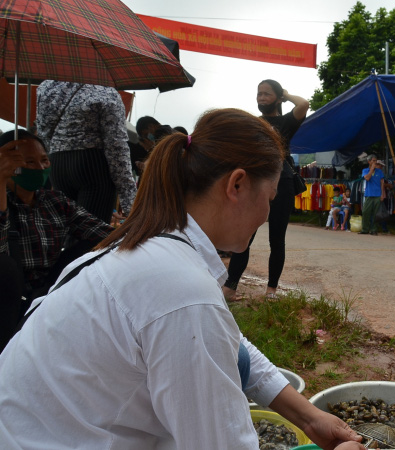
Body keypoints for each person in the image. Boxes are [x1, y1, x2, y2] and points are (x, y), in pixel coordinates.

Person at [0, 109, 365, 450]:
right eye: (270, 197)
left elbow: (230, 343)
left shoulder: (151, 248)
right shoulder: (179, 289)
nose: (267, 214)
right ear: (237, 185)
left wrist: (310, 417)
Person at [0, 130, 114, 352]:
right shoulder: (5, 201)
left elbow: (103, 232)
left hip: (48, 288)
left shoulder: (55, 201)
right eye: (30, 162)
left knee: (93, 249)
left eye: (44, 160)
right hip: (8, 293)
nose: (41, 168)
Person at [224, 80, 309, 300]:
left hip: (283, 183)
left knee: (277, 238)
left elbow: (303, 104)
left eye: (267, 94)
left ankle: (271, 290)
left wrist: (286, 95)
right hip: (257, 184)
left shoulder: (286, 122)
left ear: (277, 98)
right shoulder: (254, 124)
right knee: (246, 235)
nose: (261, 98)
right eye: (259, 94)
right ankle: (230, 288)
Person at [36, 81, 137, 223]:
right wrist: (130, 202)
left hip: (57, 164)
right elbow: (116, 145)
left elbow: (43, 131)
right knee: (92, 235)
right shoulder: (106, 92)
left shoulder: (46, 87)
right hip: (92, 165)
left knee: (67, 230)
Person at [359, 155, 385, 235]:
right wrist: (372, 170)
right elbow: (367, 178)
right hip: (368, 194)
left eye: (375, 161)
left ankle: (373, 229)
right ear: (369, 162)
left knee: (375, 213)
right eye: (373, 161)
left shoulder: (379, 171)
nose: (375, 162)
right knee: (366, 211)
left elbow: (382, 183)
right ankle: (365, 229)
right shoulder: (365, 170)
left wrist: (382, 194)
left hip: (377, 194)